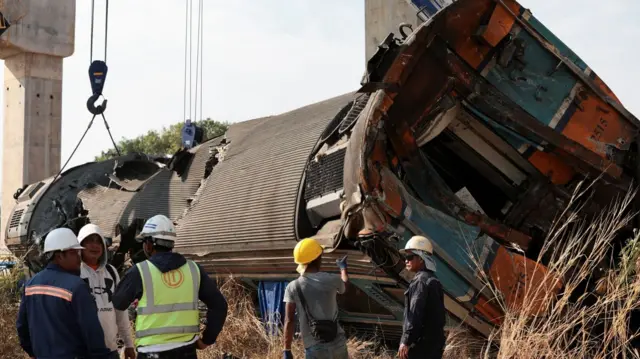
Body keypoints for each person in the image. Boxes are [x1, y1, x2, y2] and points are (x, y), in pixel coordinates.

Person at [112, 214, 228, 359]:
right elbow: (219, 306)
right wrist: (206, 340)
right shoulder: (193, 270)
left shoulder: (140, 271)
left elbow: (118, 303)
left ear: (148, 244)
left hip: (151, 352)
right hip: (187, 351)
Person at [16, 227, 112, 359]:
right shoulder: (76, 287)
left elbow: (22, 327)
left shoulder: (31, 285)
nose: (79, 258)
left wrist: (33, 353)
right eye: (74, 253)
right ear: (59, 255)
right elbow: (92, 332)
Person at [282, 238, 349, 359]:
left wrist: (287, 349)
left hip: (314, 347)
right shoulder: (332, 280)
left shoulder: (292, 287)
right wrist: (343, 268)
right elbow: (344, 285)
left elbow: (289, 320)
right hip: (338, 343)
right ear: (318, 258)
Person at [78, 223, 136, 359]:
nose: (95, 245)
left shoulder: (111, 272)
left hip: (110, 351)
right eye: (90, 240)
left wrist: (128, 344)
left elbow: (120, 311)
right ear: (80, 245)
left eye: (99, 241)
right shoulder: (75, 273)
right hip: (84, 352)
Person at [398, 235, 446, 359]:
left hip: (420, 345)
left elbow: (415, 314)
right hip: (433, 344)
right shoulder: (433, 279)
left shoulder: (420, 281)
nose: (406, 261)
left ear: (420, 259)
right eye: (405, 257)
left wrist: (406, 341)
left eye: (409, 257)